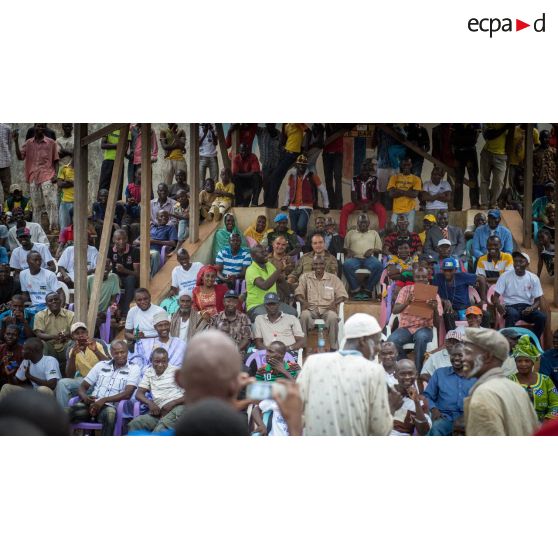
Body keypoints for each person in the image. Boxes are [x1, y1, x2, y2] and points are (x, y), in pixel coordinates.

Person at [296, 313, 393, 436]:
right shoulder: (374, 371)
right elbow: (380, 429)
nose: (379, 348)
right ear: (363, 340)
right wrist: (392, 407)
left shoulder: (313, 362)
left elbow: (296, 409)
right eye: (377, 342)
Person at [463, 327, 539, 435]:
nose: (463, 358)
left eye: (468, 352)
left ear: (488, 356)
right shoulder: (517, 388)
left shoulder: (484, 394)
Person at [77, 339, 141, 436]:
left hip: (109, 408)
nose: (120, 355)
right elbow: (83, 386)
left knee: (110, 414)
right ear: (111, 353)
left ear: (127, 352)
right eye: (116, 353)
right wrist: (85, 398)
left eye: (122, 352)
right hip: (90, 405)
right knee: (65, 414)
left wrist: (103, 400)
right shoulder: (101, 365)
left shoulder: (134, 368)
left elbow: (127, 394)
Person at [388, 266, 443, 370]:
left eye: (423, 277)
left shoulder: (434, 294)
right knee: (392, 341)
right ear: (414, 278)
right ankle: (405, 368)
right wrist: (407, 302)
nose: (421, 279)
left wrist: (434, 309)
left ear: (428, 278)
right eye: (418, 277)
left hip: (424, 328)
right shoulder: (405, 290)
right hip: (406, 328)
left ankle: (418, 371)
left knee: (421, 338)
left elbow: (437, 324)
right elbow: (395, 310)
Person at [295, 255, 348, 350]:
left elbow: (343, 295)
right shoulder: (305, 277)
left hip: (328, 309)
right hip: (311, 308)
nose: (318, 266)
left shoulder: (333, 279)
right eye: (316, 264)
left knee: (333, 317)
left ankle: (333, 348)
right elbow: (298, 293)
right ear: (312, 265)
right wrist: (303, 302)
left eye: (321, 264)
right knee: (304, 316)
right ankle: (303, 347)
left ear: (325, 265)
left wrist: (335, 303)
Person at [13, 124, 59, 232]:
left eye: (43, 127)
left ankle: (54, 227)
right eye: (38, 126)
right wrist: (15, 142)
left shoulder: (51, 143)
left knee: (51, 202)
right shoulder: (28, 143)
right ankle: (37, 229)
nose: (40, 129)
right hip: (33, 177)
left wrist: (56, 175)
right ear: (35, 127)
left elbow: (56, 160)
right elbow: (20, 157)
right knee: (36, 205)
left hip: (48, 175)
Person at [128, 347, 185, 433]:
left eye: (164, 361)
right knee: (135, 424)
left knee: (159, 432)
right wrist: (150, 403)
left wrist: (172, 403)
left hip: (178, 408)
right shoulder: (149, 372)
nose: (160, 364)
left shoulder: (176, 372)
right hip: (160, 413)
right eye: (157, 361)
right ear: (151, 360)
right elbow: (138, 394)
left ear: (168, 360)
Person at [422, 343, 476, 435]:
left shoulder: (476, 376)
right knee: (436, 429)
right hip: (445, 418)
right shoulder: (439, 373)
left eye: (460, 355)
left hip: (469, 418)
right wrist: (434, 410)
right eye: (453, 355)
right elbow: (427, 396)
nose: (456, 358)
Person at [251, 340, 301, 436]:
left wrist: (284, 371)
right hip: (268, 407)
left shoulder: (294, 367)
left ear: (281, 355)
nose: (266, 354)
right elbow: (256, 396)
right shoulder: (262, 370)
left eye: (271, 352)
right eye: (267, 351)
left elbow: (300, 389)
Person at [55, 322, 109, 408]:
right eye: (77, 333)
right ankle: (64, 415)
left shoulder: (98, 343)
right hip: (85, 380)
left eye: (83, 332)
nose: (81, 335)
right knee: (62, 383)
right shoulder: (71, 349)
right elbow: (69, 375)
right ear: (73, 336)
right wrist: (73, 356)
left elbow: (110, 365)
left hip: (102, 379)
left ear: (87, 333)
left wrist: (96, 351)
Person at [493, 252, 546, 339]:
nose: (517, 264)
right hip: (510, 306)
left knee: (541, 317)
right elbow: (495, 296)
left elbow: (537, 300)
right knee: (512, 314)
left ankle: (532, 341)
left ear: (527, 264)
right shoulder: (505, 276)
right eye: (516, 261)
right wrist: (498, 305)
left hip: (527, 308)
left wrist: (531, 308)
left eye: (521, 262)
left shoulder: (533, 278)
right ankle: (510, 344)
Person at [509, 335, 558, 422]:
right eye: (519, 361)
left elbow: (555, 402)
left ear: (532, 362)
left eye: (527, 361)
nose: (523, 364)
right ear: (515, 362)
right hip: (517, 425)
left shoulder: (545, 380)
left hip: (544, 425)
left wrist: (547, 421)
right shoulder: (509, 381)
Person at [282, 154, 329, 238]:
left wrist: (326, 205)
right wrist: (285, 204)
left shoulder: (312, 176)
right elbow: (288, 191)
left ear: (306, 165)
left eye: (303, 165)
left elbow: (323, 190)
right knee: (294, 231)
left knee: (301, 226)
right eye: (299, 164)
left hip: (306, 206)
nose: (301, 166)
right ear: (296, 165)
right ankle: (299, 247)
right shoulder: (291, 176)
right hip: (292, 207)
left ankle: (302, 240)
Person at [339, 159, 386, 237]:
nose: (364, 173)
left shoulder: (374, 179)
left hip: (371, 202)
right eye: (363, 170)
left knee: (382, 210)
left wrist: (369, 204)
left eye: (366, 171)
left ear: (368, 171)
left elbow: (377, 196)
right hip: (358, 202)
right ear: (360, 170)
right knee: (345, 209)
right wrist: (361, 205)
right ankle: (342, 234)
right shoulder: (354, 179)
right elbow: (353, 197)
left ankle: (381, 233)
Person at [342, 213, 383, 299]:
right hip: (354, 258)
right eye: (361, 222)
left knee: (379, 266)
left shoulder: (374, 233)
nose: (363, 224)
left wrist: (372, 250)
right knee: (346, 265)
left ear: (369, 223)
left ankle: (367, 290)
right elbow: (345, 247)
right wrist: (349, 251)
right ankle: (356, 289)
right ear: (357, 223)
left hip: (369, 258)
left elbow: (379, 249)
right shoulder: (351, 233)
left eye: (365, 222)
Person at [265, 123, 307, 208]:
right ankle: (270, 203)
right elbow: (284, 139)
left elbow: (308, 132)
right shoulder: (285, 124)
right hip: (285, 153)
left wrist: (304, 149)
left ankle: (269, 204)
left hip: (293, 154)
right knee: (276, 178)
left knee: (275, 176)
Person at [245, 245, 289, 320]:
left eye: (265, 251)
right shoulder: (251, 270)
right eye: (262, 252)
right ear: (253, 256)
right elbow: (264, 286)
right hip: (256, 305)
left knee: (293, 313)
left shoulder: (269, 265)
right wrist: (279, 270)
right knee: (269, 317)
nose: (266, 254)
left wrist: (290, 295)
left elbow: (280, 280)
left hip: (274, 304)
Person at [33, 292, 74, 370]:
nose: (53, 302)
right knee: (41, 343)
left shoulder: (70, 314)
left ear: (60, 301)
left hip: (65, 345)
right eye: (50, 300)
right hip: (49, 346)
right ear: (46, 304)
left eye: (56, 299)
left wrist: (65, 335)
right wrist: (55, 337)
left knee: (74, 344)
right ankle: (45, 373)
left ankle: (70, 371)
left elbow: (74, 331)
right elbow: (38, 334)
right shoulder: (40, 315)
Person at [0, 389, 70, 435]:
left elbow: (52, 383)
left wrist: (30, 376)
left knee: (42, 389)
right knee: (6, 387)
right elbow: (19, 379)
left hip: (45, 390)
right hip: (30, 390)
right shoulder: (27, 365)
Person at [391, 359, 431, 435]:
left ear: (416, 375)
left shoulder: (421, 401)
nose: (407, 377)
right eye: (402, 374)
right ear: (395, 375)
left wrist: (416, 402)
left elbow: (424, 432)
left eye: (410, 373)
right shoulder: (385, 393)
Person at [479, 124, 515, 208]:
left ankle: (493, 202)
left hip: (501, 155)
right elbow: (488, 135)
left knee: (499, 182)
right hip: (487, 152)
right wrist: (505, 127)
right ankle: (484, 203)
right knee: (484, 179)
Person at [209, 290, 252, 360]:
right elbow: (211, 338)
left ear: (237, 303)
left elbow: (246, 339)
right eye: (228, 301)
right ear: (223, 302)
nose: (231, 304)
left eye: (234, 302)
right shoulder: (215, 318)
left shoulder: (244, 318)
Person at [137, 209, 177, 276]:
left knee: (155, 254)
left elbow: (173, 243)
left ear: (168, 219)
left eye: (166, 217)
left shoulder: (170, 228)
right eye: (161, 216)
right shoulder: (151, 227)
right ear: (157, 218)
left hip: (155, 250)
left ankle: (152, 277)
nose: (164, 218)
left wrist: (154, 241)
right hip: (143, 248)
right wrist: (144, 243)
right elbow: (135, 241)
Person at [450, 124, 481, 210]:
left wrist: (463, 141)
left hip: (470, 152)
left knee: (473, 179)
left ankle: (474, 203)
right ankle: (457, 205)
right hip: (458, 153)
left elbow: (476, 138)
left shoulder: (476, 123)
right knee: (458, 180)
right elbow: (452, 137)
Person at [110, 229, 139, 317]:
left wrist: (124, 270)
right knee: (111, 277)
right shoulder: (109, 251)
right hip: (115, 278)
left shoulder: (134, 251)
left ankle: (125, 313)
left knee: (130, 279)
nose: (121, 241)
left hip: (130, 278)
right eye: (118, 239)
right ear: (113, 240)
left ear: (127, 239)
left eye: (124, 239)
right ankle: (111, 313)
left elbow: (138, 274)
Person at [387, 157, 422, 231]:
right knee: (392, 230)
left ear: (411, 165)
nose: (406, 166)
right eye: (404, 164)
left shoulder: (416, 179)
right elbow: (391, 194)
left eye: (408, 164)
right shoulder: (394, 177)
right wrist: (408, 191)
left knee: (409, 232)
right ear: (401, 165)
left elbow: (414, 195)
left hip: (409, 210)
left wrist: (398, 190)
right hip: (396, 210)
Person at [256, 124, 281, 202]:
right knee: (266, 185)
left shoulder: (280, 135)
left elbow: (283, 150)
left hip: (276, 165)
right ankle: (266, 203)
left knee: (274, 186)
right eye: (267, 123)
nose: (269, 125)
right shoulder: (261, 131)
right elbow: (252, 125)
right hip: (266, 164)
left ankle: (273, 204)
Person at [268, 235, 295, 304]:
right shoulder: (266, 259)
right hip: (268, 285)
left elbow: (291, 276)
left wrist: (285, 269)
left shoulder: (289, 260)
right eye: (278, 243)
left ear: (286, 247)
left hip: (283, 287)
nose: (280, 247)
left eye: (283, 245)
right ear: (273, 244)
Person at [99, 128, 126, 192]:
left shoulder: (127, 132)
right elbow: (103, 145)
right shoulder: (107, 129)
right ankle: (101, 202)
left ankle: (116, 202)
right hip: (108, 160)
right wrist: (117, 145)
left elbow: (124, 147)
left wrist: (110, 144)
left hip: (120, 161)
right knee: (104, 185)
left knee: (118, 186)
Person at [0, 324, 24, 389]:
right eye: (8, 334)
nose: (10, 337)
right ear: (4, 335)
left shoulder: (23, 351)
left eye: (14, 335)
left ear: (18, 336)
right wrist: (2, 362)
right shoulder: (1, 348)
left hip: (17, 383)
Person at [0, 123, 12, 200]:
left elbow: (9, 145)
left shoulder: (7, 128)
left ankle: (7, 210)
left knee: (7, 189)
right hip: (5, 160)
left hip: (5, 163)